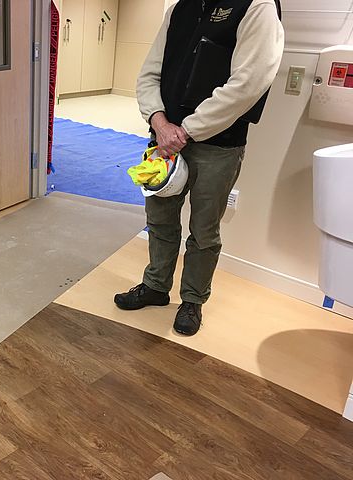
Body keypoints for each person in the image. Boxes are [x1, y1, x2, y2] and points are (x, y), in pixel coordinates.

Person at [114, 0, 284, 336]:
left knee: (204, 231)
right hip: (163, 140)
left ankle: (192, 300)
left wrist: (188, 130)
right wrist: (159, 122)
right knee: (159, 217)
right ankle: (156, 286)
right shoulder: (180, 8)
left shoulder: (257, 6)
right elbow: (150, 73)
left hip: (217, 145)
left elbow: (249, 82)